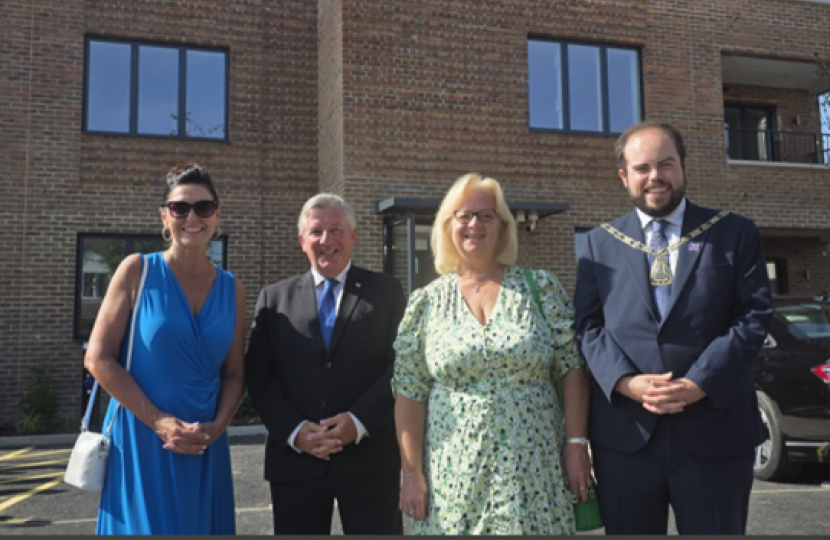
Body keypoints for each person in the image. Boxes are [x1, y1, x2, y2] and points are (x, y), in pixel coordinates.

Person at [574, 121, 773, 535]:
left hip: (715, 430)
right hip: (626, 435)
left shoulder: (733, 233)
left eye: (665, 164)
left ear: (683, 166)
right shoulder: (598, 244)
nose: (655, 177)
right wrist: (627, 382)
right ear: (624, 176)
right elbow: (588, 327)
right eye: (642, 167)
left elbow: (753, 318)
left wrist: (700, 382)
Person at [392, 173, 592, 535]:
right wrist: (411, 473)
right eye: (463, 215)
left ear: (502, 226)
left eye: (486, 215)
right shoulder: (426, 303)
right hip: (453, 475)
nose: (474, 224)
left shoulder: (540, 289)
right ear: (447, 225)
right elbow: (409, 391)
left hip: (535, 470)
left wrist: (577, 445)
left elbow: (572, 369)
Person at [85, 163, 246, 534]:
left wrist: (218, 426)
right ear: (165, 215)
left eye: (203, 208)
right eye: (180, 208)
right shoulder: (136, 270)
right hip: (144, 440)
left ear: (217, 215)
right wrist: (158, 420)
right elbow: (97, 357)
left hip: (206, 444)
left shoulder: (232, 287)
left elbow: (235, 374)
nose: (192, 217)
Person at [245, 193, 406, 535]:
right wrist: (294, 431)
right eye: (316, 232)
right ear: (302, 241)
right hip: (295, 463)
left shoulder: (387, 292)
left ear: (353, 236)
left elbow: (401, 367)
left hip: (370, 459)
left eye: (336, 230)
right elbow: (260, 377)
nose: (326, 240)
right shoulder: (274, 299)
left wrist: (359, 421)